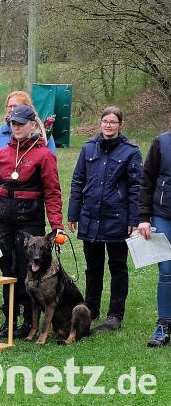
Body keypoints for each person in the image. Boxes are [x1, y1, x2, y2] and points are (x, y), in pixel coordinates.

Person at [0, 105, 64, 340]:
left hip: (29, 222)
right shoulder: (2, 154)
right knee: (7, 271)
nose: (15, 127)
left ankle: (28, 322)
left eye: (20, 123)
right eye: (13, 124)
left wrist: (57, 226)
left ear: (33, 125)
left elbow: (53, 192)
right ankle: (10, 320)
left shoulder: (44, 155)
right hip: (3, 221)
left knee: (25, 270)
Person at [68, 107, 141, 334]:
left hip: (117, 218)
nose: (108, 125)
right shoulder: (89, 147)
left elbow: (136, 188)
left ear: (120, 125)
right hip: (90, 216)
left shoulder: (131, 152)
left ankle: (115, 314)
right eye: (105, 121)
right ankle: (91, 308)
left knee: (118, 267)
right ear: (100, 123)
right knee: (93, 267)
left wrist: (135, 219)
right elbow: (78, 181)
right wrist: (73, 213)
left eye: (113, 122)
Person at [138, 119, 171, 347]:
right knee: (167, 270)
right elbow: (147, 180)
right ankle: (164, 324)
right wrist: (143, 218)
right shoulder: (161, 142)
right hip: (163, 214)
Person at [0, 91, 56, 176]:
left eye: (16, 106)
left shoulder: (42, 134)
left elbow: (50, 165)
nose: (12, 110)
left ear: (27, 108)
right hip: (1, 186)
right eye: (10, 106)